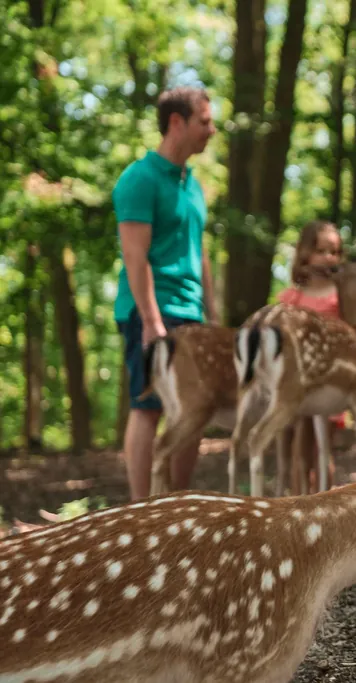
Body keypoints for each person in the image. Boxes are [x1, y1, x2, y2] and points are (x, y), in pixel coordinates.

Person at [113, 86, 217, 501]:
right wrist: (152, 321)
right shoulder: (139, 179)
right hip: (152, 312)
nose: (212, 130)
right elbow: (134, 256)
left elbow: (200, 254)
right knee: (148, 406)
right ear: (177, 122)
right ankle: (142, 512)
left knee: (193, 411)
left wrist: (212, 314)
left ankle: (174, 507)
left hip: (191, 314)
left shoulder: (193, 186)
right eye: (204, 121)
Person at [277, 220, 348, 488]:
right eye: (321, 251)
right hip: (297, 383)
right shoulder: (291, 298)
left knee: (322, 449)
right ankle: (298, 502)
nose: (329, 257)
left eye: (335, 252)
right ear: (305, 253)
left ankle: (323, 501)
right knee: (297, 448)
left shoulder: (341, 296)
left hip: (329, 382)